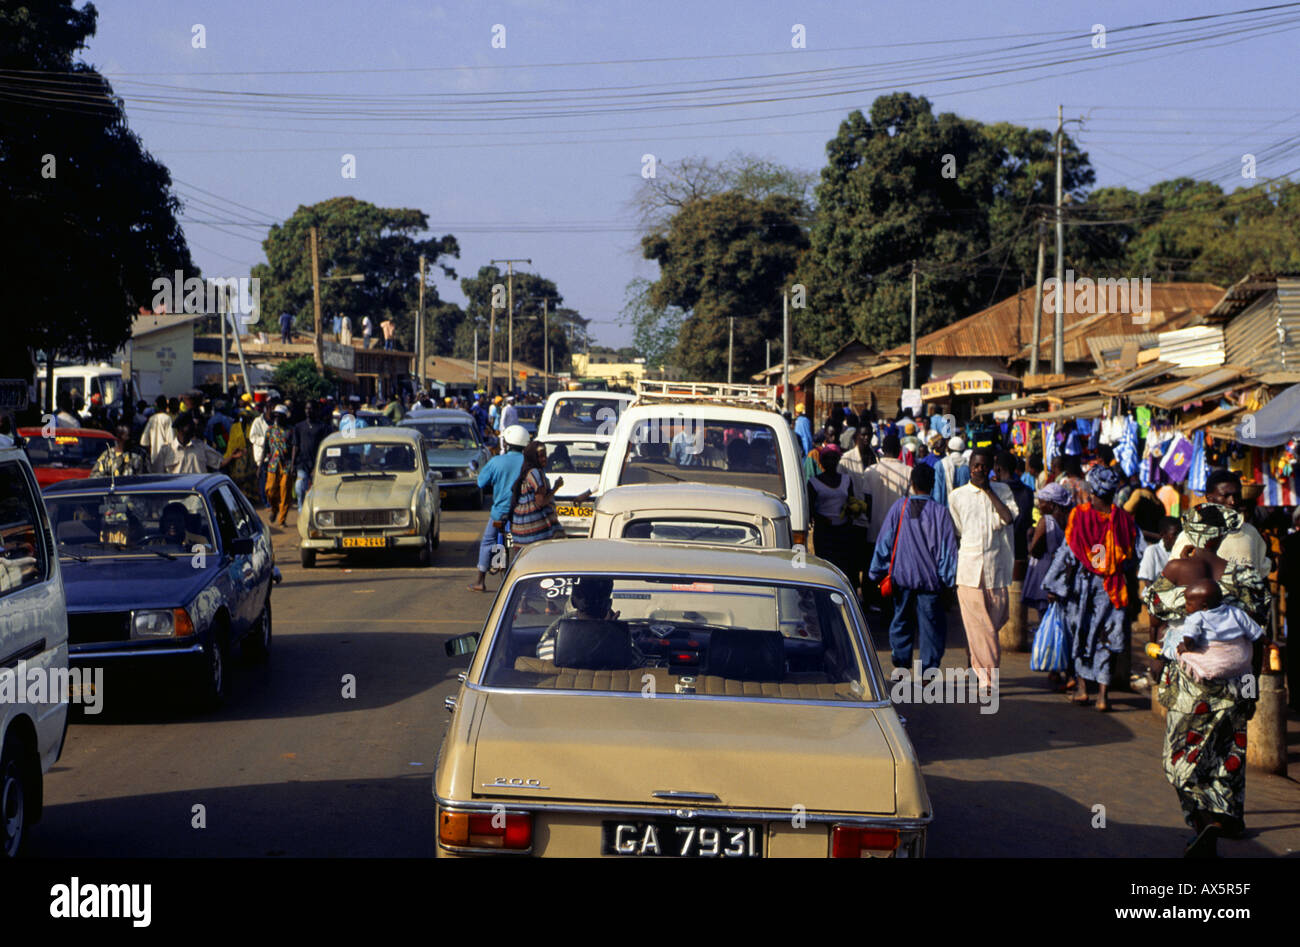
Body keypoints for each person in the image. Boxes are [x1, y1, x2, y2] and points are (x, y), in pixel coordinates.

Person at [1041, 464, 1138, 711]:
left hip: (1082, 587)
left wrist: (1053, 585)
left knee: (1081, 634)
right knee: (1107, 637)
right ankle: (1103, 697)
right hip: (1113, 588)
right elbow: (1134, 556)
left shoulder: (1079, 516)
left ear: (1093, 490)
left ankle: (1083, 690)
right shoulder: (1125, 520)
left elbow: (1067, 553)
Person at [869, 464, 958, 672]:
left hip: (902, 578)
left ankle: (901, 664)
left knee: (901, 620)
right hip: (930, 582)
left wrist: (875, 571)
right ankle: (928, 670)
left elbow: (884, 542)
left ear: (912, 483)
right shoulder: (940, 513)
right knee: (931, 626)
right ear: (933, 484)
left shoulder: (899, 507)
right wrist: (949, 580)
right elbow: (947, 551)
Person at [948, 447, 1019, 688]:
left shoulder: (1003, 491)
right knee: (982, 627)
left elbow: (1008, 518)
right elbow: (958, 530)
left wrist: (989, 491)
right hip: (968, 571)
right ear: (969, 467)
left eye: (984, 467)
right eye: (976, 466)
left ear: (992, 469)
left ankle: (976, 657)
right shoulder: (956, 496)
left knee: (993, 624)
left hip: (996, 571)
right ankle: (988, 679)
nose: (979, 470)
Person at [1169, 469, 1271, 577]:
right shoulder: (1191, 535)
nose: (1232, 501)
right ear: (1210, 498)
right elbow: (1174, 576)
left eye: (1236, 495)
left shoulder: (1250, 533)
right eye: (1226, 495)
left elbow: (1260, 573)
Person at [1023, 482, 1074, 690]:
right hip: (1063, 574)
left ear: (1052, 504)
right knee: (1064, 623)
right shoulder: (1068, 520)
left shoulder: (1046, 522)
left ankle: (1055, 666)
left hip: (1044, 572)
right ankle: (1064, 668)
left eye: (1042, 501)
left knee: (1048, 621)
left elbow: (1035, 549)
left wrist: (1029, 536)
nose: (1039, 504)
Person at [468, 424, 530, 592]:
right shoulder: (529, 463)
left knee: (488, 541)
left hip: (499, 514)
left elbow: (481, 482)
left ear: (507, 443)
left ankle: (480, 581)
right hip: (522, 514)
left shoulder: (496, 461)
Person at [535, 577, 619, 661]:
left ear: (573, 601)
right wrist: (611, 631)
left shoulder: (547, 649)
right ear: (608, 605)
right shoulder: (624, 648)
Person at [807, 443, 856, 577]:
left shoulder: (847, 480)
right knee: (824, 567)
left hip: (843, 531)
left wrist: (850, 511)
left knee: (842, 568)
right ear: (822, 461)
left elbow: (851, 502)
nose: (831, 461)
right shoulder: (813, 483)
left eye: (834, 458)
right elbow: (810, 509)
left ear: (838, 460)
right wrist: (821, 518)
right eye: (827, 458)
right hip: (824, 532)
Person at [508, 441, 562, 547]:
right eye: (541, 456)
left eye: (545, 455)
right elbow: (541, 502)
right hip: (535, 530)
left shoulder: (527, 472)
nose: (544, 459)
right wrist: (556, 487)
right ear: (533, 457)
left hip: (521, 530)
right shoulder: (536, 473)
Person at [150, 413, 236, 475]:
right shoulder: (166, 450)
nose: (193, 428)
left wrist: (232, 456)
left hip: (196, 497)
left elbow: (219, 462)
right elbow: (157, 475)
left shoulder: (201, 447)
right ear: (180, 428)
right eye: (189, 425)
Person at [291, 402, 332, 511]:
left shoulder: (323, 427)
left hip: (317, 465)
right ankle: (301, 512)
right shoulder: (299, 427)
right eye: (306, 409)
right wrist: (292, 464)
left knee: (316, 492)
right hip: (302, 463)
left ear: (316, 411)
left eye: (311, 409)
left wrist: (319, 465)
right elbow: (295, 446)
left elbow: (326, 448)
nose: (308, 411)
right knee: (300, 488)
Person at [263, 408, 293, 527]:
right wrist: (260, 466)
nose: (277, 418)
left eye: (279, 416)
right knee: (269, 490)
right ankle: (274, 509)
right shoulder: (270, 430)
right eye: (275, 415)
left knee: (285, 490)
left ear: (284, 417)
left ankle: (282, 519)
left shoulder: (290, 431)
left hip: (287, 464)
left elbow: (294, 447)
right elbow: (265, 449)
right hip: (273, 463)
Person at [248, 401, 271, 505]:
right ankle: (265, 501)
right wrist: (264, 441)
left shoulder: (275, 421)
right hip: (262, 456)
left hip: (274, 456)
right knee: (264, 479)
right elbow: (252, 437)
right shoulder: (258, 421)